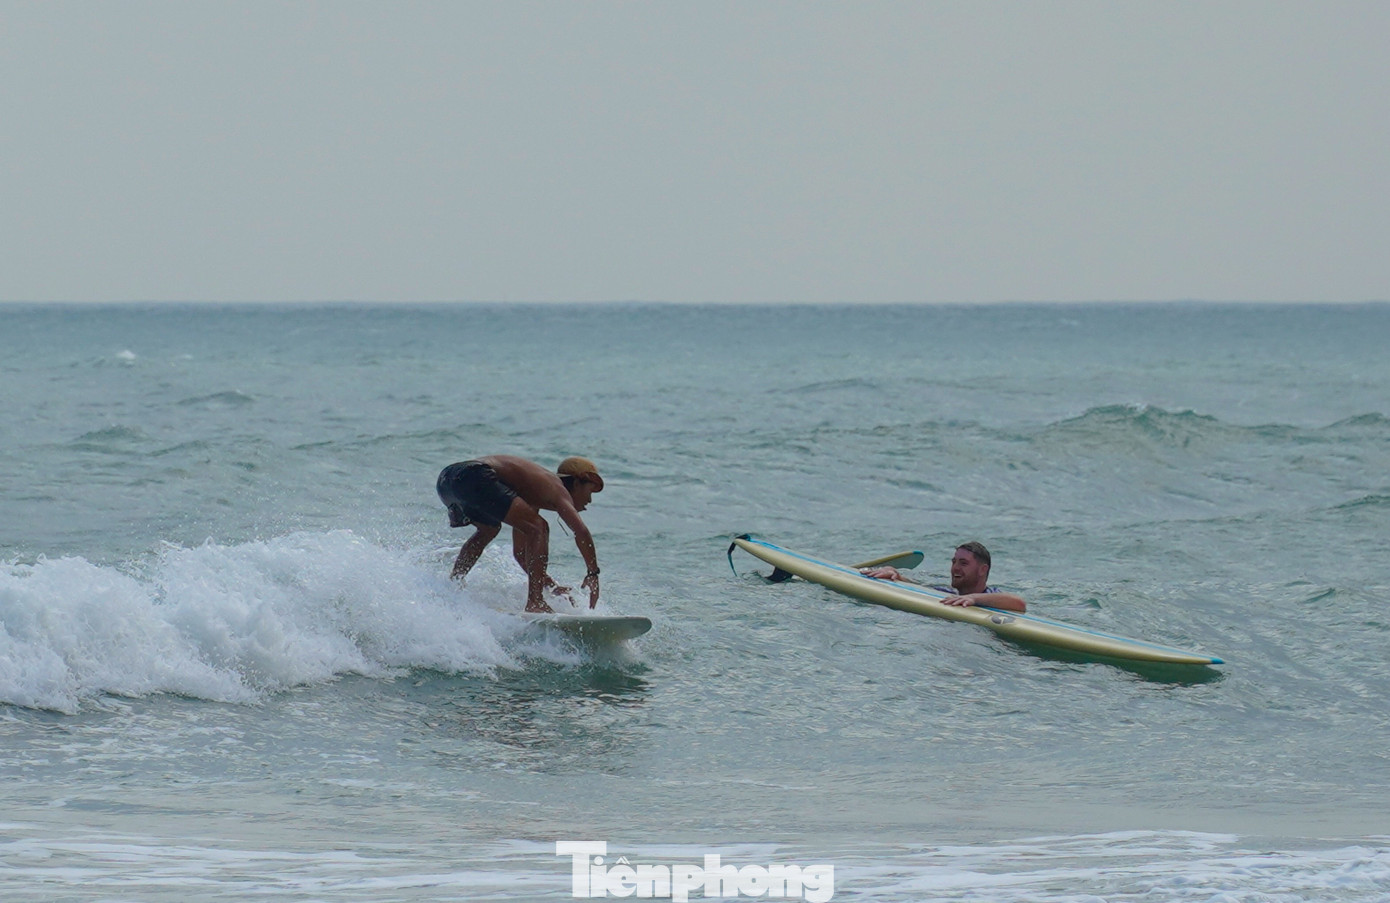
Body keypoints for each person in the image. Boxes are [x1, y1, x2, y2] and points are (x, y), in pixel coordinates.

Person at [436, 455, 604, 613]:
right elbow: (581, 532)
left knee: (489, 530)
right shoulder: (558, 489)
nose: (590, 500)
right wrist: (592, 573)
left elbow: (521, 554)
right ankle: (535, 602)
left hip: (447, 481)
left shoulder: (533, 493)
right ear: (576, 483)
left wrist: (551, 587)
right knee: (539, 527)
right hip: (473, 475)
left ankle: (454, 583)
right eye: (590, 491)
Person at [862, 541, 1026, 612]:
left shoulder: (991, 595)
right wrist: (895, 574)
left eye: (963, 563)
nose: (955, 568)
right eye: (954, 561)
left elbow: (1018, 603)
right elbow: (919, 588)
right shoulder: (948, 593)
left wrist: (974, 599)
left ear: (983, 570)